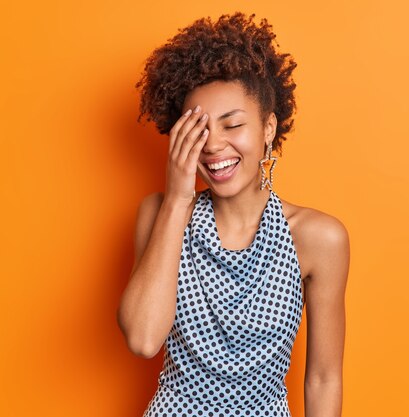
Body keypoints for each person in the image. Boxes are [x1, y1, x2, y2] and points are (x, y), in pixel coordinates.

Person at [117, 12, 350, 417]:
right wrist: (177, 200)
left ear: (267, 128)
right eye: (200, 130)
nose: (214, 146)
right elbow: (142, 339)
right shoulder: (159, 213)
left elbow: (323, 378)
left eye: (233, 124)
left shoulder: (318, 238)